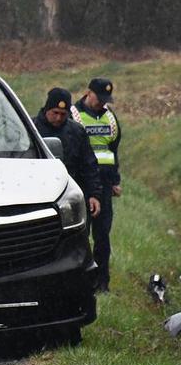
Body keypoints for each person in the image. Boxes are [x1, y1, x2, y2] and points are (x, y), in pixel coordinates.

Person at [75, 77, 122, 292]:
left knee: (102, 236)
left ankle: (102, 282)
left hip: (103, 184)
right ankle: (81, 280)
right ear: (88, 93)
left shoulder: (110, 118)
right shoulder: (75, 115)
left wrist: (115, 181)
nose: (102, 103)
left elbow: (113, 151)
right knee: (80, 235)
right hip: (81, 183)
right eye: (99, 98)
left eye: (105, 99)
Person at [33, 87, 102, 221]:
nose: (59, 118)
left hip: (70, 195)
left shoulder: (77, 132)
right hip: (40, 195)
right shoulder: (32, 129)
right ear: (47, 109)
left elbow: (89, 165)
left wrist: (94, 195)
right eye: (55, 113)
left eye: (63, 114)